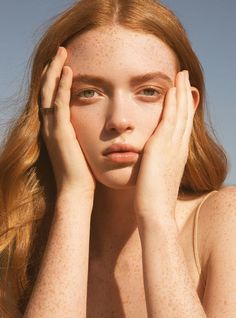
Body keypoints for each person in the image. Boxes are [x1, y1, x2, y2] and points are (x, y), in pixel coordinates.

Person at [0, 0, 235, 317]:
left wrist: (156, 217)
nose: (119, 120)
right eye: (89, 93)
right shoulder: (16, 238)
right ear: (50, 105)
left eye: (148, 91)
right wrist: (74, 198)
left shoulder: (224, 221)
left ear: (187, 106)